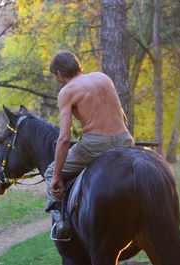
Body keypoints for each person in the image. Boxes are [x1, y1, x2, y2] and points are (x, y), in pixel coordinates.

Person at [45, 51, 135, 241]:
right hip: (125, 139)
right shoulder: (103, 78)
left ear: (60, 73)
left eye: (56, 76)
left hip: (95, 144)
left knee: (50, 171)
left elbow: (64, 138)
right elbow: (122, 115)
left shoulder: (67, 92)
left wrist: (56, 176)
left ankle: (61, 222)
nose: (57, 80)